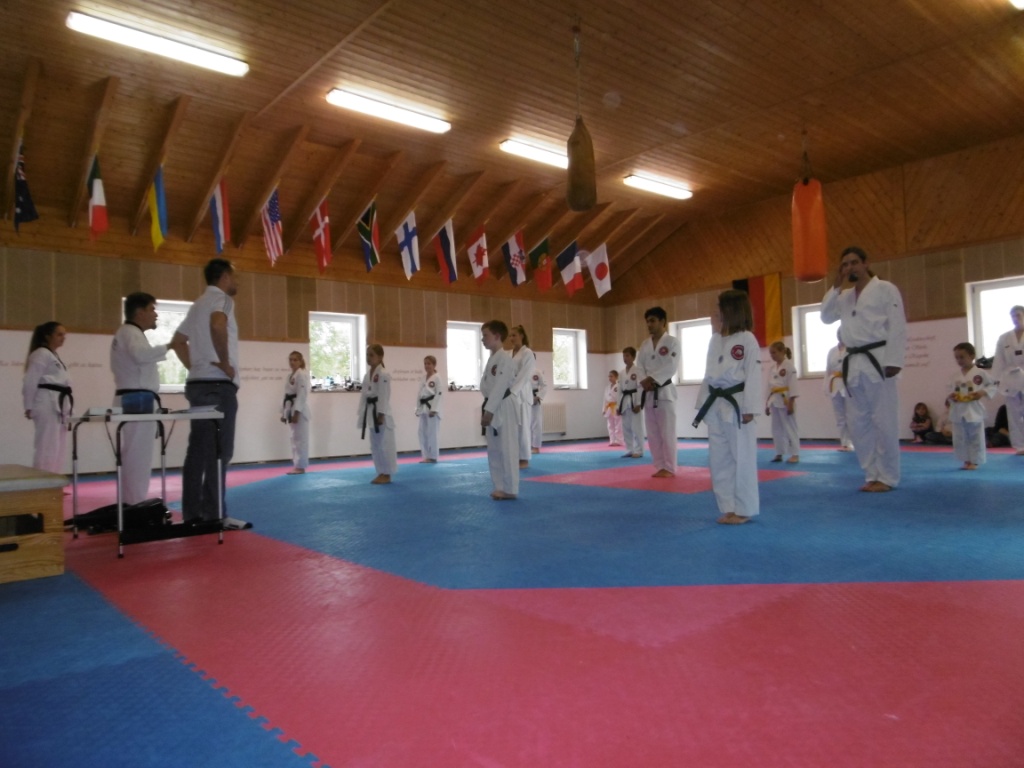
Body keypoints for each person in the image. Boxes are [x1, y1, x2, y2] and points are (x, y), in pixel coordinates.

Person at [170, 258, 250, 528]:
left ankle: (193, 513)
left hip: (197, 384)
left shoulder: (197, 305)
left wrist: (195, 367)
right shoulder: (222, 299)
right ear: (225, 276)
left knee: (197, 450)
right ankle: (214, 514)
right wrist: (224, 363)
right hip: (218, 385)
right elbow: (218, 325)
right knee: (219, 451)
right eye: (234, 277)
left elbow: (177, 342)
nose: (236, 282)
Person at [821, 246, 907, 492]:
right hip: (853, 364)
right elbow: (826, 317)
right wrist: (836, 285)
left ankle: (888, 477)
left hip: (878, 360)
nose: (850, 267)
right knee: (858, 424)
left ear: (866, 263)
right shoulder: (844, 297)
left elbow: (898, 326)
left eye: (854, 262)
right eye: (845, 264)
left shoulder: (885, 289)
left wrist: (894, 360)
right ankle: (871, 474)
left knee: (884, 421)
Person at [693, 289, 763, 525]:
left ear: (731, 310)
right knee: (719, 459)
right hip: (716, 405)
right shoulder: (715, 340)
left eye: (719, 307)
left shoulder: (747, 339)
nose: (715, 311)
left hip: (738, 405)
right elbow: (708, 375)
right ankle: (728, 506)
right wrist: (702, 404)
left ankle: (744, 509)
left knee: (742, 459)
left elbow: (753, 374)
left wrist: (750, 407)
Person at [110, 293, 169, 504]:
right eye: (152, 309)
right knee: (138, 455)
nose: (155, 314)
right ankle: (134, 504)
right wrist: (170, 346)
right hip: (137, 399)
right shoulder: (130, 332)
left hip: (135, 397)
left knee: (134, 454)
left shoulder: (129, 332)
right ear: (139, 312)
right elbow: (141, 355)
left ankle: (131, 502)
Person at [22, 321, 72, 474]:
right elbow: (30, 380)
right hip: (46, 402)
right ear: (47, 336)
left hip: (58, 402)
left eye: (64, 335)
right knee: (46, 445)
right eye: (59, 334)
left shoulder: (53, 356)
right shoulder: (41, 354)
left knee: (58, 445)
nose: (63, 338)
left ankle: (54, 479)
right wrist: (28, 406)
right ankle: (42, 481)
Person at [636, 306, 679, 478]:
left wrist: (652, 379)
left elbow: (671, 366)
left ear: (663, 322)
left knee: (667, 432)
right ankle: (659, 465)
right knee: (653, 433)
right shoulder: (645, 345)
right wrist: (644, 380)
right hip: (648, 393)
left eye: (652, 321)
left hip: (664, 392)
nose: (649, 324)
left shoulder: (672, 342)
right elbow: (639, 367)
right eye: (647, 321)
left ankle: (670, 467)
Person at [480, 320, 519, 500]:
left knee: (507, 448)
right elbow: (487, 386)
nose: (482, 339)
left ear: (497, 336)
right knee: (494, 448)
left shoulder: (505, 358)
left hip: (503, 405)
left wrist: (489, 411)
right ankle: (499, 486)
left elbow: (501, 385)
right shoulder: (492, 358)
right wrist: (488, 408)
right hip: (492, 403)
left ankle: (510, 488)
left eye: (485, 335)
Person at [948, 342, 996, 470]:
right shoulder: (955, 376)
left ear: (972, 356)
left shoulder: (980, 373)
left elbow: (993, 384)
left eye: (962, 357)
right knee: (960, 437)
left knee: (976, 436)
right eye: (957, 358)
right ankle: (966, 460)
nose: (959, 360)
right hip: (958, 409)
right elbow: (950, 390)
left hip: (973, 409)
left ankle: (975, 461)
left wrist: (982, 392)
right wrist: (951, 396)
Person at [357, 344, 397, 484]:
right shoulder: (367, 375)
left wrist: (381, 414)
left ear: (380, 357)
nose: (368, 358)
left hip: (381, 414)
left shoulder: (383, 374)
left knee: (384, 444)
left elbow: (384, 396)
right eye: (367, 355)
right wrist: (361, 412)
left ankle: (387, 473)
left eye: (371, 355)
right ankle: (380, 471)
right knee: (375, 445)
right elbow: (364, 395)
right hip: (370, 412)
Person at [992, 305, 1024, 455]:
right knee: (1013, 413)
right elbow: (999, 361)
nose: (1015, 318)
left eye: (1018, 315)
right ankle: (1020, 446)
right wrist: (995, 380)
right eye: (1013, 316)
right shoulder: (1004, 338)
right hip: (1010, 378)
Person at [765, 341, 800, 463]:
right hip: (774, 399)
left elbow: (793, 385)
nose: (772, 355)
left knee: (790, 427)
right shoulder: (772, 368)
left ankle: (795, 453)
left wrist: (791, 402)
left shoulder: (789, 366)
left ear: (782, 352)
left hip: (785, 400)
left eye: (774, 353)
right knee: (776, 428)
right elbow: (769, 387)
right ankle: (779, 452)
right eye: (771, 353)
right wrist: (767, 404)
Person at [508, 325, 536, 469]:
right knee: (512, 428)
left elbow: (525, 375)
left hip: (522, 394)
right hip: (509, 393)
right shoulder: (509, 353)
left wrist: (513, 391)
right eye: (510, 336)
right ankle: (514, 456)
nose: (511, 338)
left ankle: (524, 458)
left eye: (514, 335)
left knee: (523, 426)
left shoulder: (527, 353)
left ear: (522, 336)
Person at [281, 350, 311, 474]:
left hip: (300, 411)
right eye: (290, 359)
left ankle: (301, 466)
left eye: (295, 360)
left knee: (301, 439)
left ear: (300, 361)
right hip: (291, 408)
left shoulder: (301, 374)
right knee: (294, 438)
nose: (292, 362)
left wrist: (296, 413)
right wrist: (284, 413)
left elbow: (302, 395)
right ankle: (297, 465)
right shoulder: (290, 375)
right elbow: (287, 395)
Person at [824, 335, 853, 451]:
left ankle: (855, 441)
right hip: (835, 384)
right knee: (840, 416)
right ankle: (845, 443)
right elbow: (828, 370)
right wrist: (826, 387)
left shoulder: (852, 349)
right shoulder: (832, 351)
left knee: (852, 414)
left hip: (849, 383)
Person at [416, 354, 443, 463]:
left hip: (432, 408)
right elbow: (419, 395)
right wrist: (418, 408)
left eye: (429, 364)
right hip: (423, 407)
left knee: (432, 433)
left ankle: (433, 456)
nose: (427, 366)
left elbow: (439, 394)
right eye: (425, 364)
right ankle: (426, 455)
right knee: (421, 432)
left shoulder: (437, 378)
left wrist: (434, 409)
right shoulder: (423, 378)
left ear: (434, 365)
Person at [619, 346, 644, 458]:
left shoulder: (638, 371)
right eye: (624, 356)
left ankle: (639, 450)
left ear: (633, 357)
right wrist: (618, 406)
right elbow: (619, 390)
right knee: (626, 427)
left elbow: (640, 388)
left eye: (627, 356)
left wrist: (639, 403)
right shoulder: (621, 373)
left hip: (634, 400)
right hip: (624, 401)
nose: (625, 358)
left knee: (636, 427)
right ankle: (629, 449)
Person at [603, 370, 623, 446]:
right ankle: (612, 440)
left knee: (618, 424)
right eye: (609, 376)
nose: (610, 378)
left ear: (616, 377)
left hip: (616, 406)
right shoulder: (607, 387)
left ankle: (619, 441)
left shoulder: (619, 386)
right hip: (609, 407)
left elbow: (620, 398)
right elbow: (605, 399)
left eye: (611, 376)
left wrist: (619, 408)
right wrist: (604, 409)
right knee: (610, 425)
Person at [529, 368, 547, 454]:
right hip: (521, 398)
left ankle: (536, 447)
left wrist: (538, 397)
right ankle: (525, 446)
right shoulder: (518, 371)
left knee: (536, 423)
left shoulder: (537, 372)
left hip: (534, 398)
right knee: (523, 424)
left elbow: (544, 386)